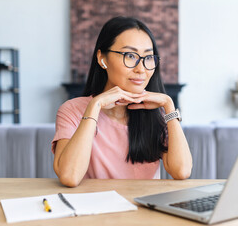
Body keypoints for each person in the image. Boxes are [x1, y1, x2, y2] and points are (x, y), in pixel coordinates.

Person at [52, 16, 192, 187]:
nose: (141, 69)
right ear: (102, 58)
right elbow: (69, 177)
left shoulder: (158, 112)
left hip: (144, 209)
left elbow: (182, 171)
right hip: (95, 208)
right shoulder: (72, 110)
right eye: (130, 55)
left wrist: (169, 105)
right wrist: (95, 106)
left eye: (148, 58)